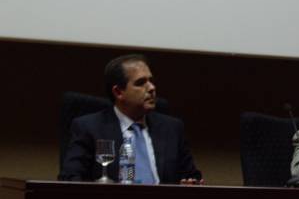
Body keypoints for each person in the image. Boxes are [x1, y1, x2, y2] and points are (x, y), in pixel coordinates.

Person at [59, 54, 203, 184]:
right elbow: (70, 179)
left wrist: (191, 182)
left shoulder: (172, 128)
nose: (152, 88)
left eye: (151, 81)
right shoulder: (89, 128)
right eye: (141, 83)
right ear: (118, 92)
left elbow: (191, 176)